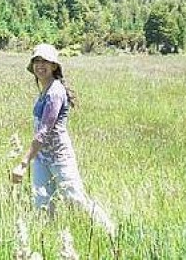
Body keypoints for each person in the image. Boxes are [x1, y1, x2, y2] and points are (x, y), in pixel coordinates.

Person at [10, 44, 117, 235]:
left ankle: (110, 232)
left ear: (54, 66)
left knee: (75, 198)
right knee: (42, 202)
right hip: (42, 158)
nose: (39, 65)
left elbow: (43, 131)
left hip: (59, 157)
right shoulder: (45, 89)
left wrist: (24, 162)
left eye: (44, 61)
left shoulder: (55, 92)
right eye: (36, 61)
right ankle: (47, 241)